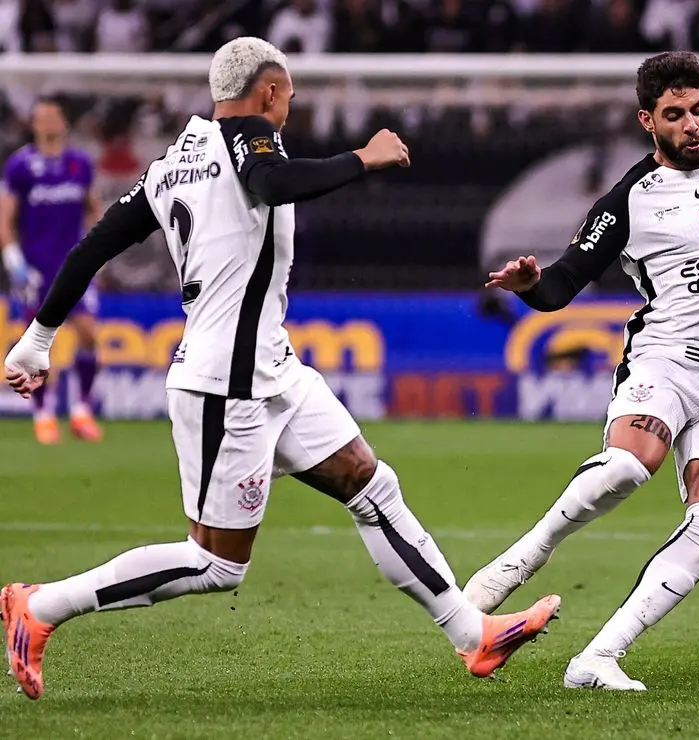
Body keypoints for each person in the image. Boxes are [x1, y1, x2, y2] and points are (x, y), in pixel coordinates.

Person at [1, 37, 559, 702]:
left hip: (274, 368)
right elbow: (269, 180)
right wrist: (363, 158)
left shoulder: (170, 166)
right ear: (268, 91)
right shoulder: (248, 138)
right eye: (288, 96)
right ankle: (40, 605)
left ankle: (474, 634)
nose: (289, 109)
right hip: (225, 383)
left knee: (369, 483)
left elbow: (92, 246)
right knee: (215, 564)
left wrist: (38, 338)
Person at [464, 51, 699, 691]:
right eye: (674, 115)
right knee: (628, 466)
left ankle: (598, 658)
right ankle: (523, 558)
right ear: (647, 121)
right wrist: (531, 283)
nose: (691, 124)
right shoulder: (630, 198)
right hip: (667, 358)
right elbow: (561, 286)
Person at [1, 96, 105, 444]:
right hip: (36, 269)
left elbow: (94, 209)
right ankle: (43, 414)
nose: (46, 123)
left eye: (52, 117)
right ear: (33, 124)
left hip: (74, 265)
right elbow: (5, 219)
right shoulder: (20, 166)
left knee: (88, 333)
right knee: (35, 342)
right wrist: (14, 259)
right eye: (40, 117)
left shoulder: (80, 164)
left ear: (63, 122)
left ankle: (81, 410)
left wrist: (99, 246)